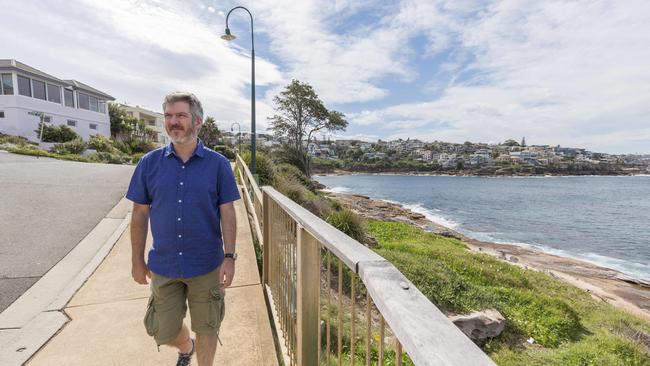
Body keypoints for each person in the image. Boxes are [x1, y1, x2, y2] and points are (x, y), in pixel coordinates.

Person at [126, 92, 240, 366]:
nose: (173, 122)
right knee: (161, 328)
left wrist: (230, 257)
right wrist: (136, 260)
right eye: (168, 116)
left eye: (180, 115)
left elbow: (228, 212)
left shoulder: (219, 165)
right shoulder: (149, 164)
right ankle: (186, 347)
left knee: (208, 327)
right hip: (164, 264)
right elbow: (140, 214)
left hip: (206, 264)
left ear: (197, 121)